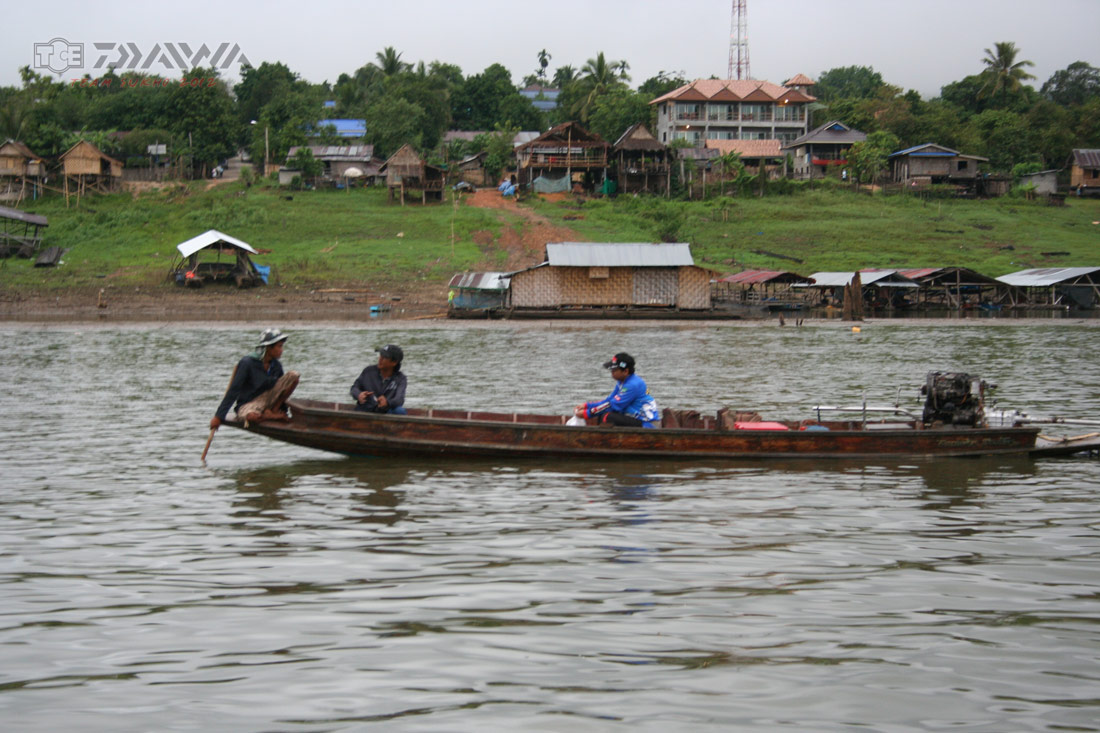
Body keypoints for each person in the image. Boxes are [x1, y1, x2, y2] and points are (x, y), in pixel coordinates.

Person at [210, 328, 299, 430]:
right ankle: (267, 415)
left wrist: (283, 411)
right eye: (279, 347)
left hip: (269, 401)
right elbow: (234, 390)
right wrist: (218, 416)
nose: (281, 350)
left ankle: (273, 411)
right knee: (252, 417)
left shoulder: (276, 365)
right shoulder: (247, 363)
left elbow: (281, 390)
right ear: (269, 348)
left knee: (293, 376)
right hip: (250, 404)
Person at [575, 352, 659, 428]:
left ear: (625, 371)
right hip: (635, 419)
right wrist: (587, 405)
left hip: (647, 424)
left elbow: (613, 406)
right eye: (611, 370)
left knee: (607, 417)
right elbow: (609, 401)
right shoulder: (622, 382)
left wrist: (587, 413)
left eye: (614, 370)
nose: (612, 373)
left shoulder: (632, 385)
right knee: (602, 414)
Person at [351, 344, 408, 414]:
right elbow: (354, 388)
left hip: (386, 411)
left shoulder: (400, 379)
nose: (380, 359)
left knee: (400, 411)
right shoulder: (368, 371)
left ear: (394, 362)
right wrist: (359, 395)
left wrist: (387, 402)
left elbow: (399, 399)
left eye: (384, 357)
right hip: (366, 410)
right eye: (380, 355)